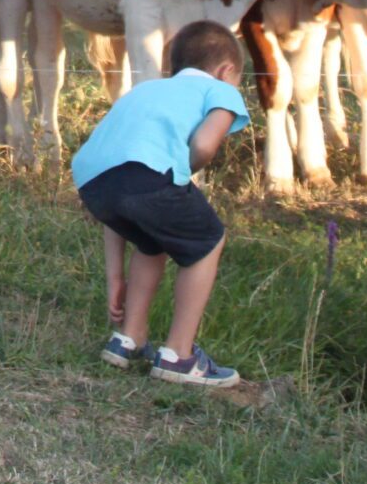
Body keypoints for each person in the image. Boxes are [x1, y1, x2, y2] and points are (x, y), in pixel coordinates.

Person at [71, 20, 250, 389]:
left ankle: (128, 339)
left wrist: (114, 277)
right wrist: (183, 173)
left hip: (92, 181)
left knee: (152, 241)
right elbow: (203, 145)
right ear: (226, 70)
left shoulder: (146, 90)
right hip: (147, 177)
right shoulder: (220, 90)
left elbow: (122, 182)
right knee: (207, 242)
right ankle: (178, 355)